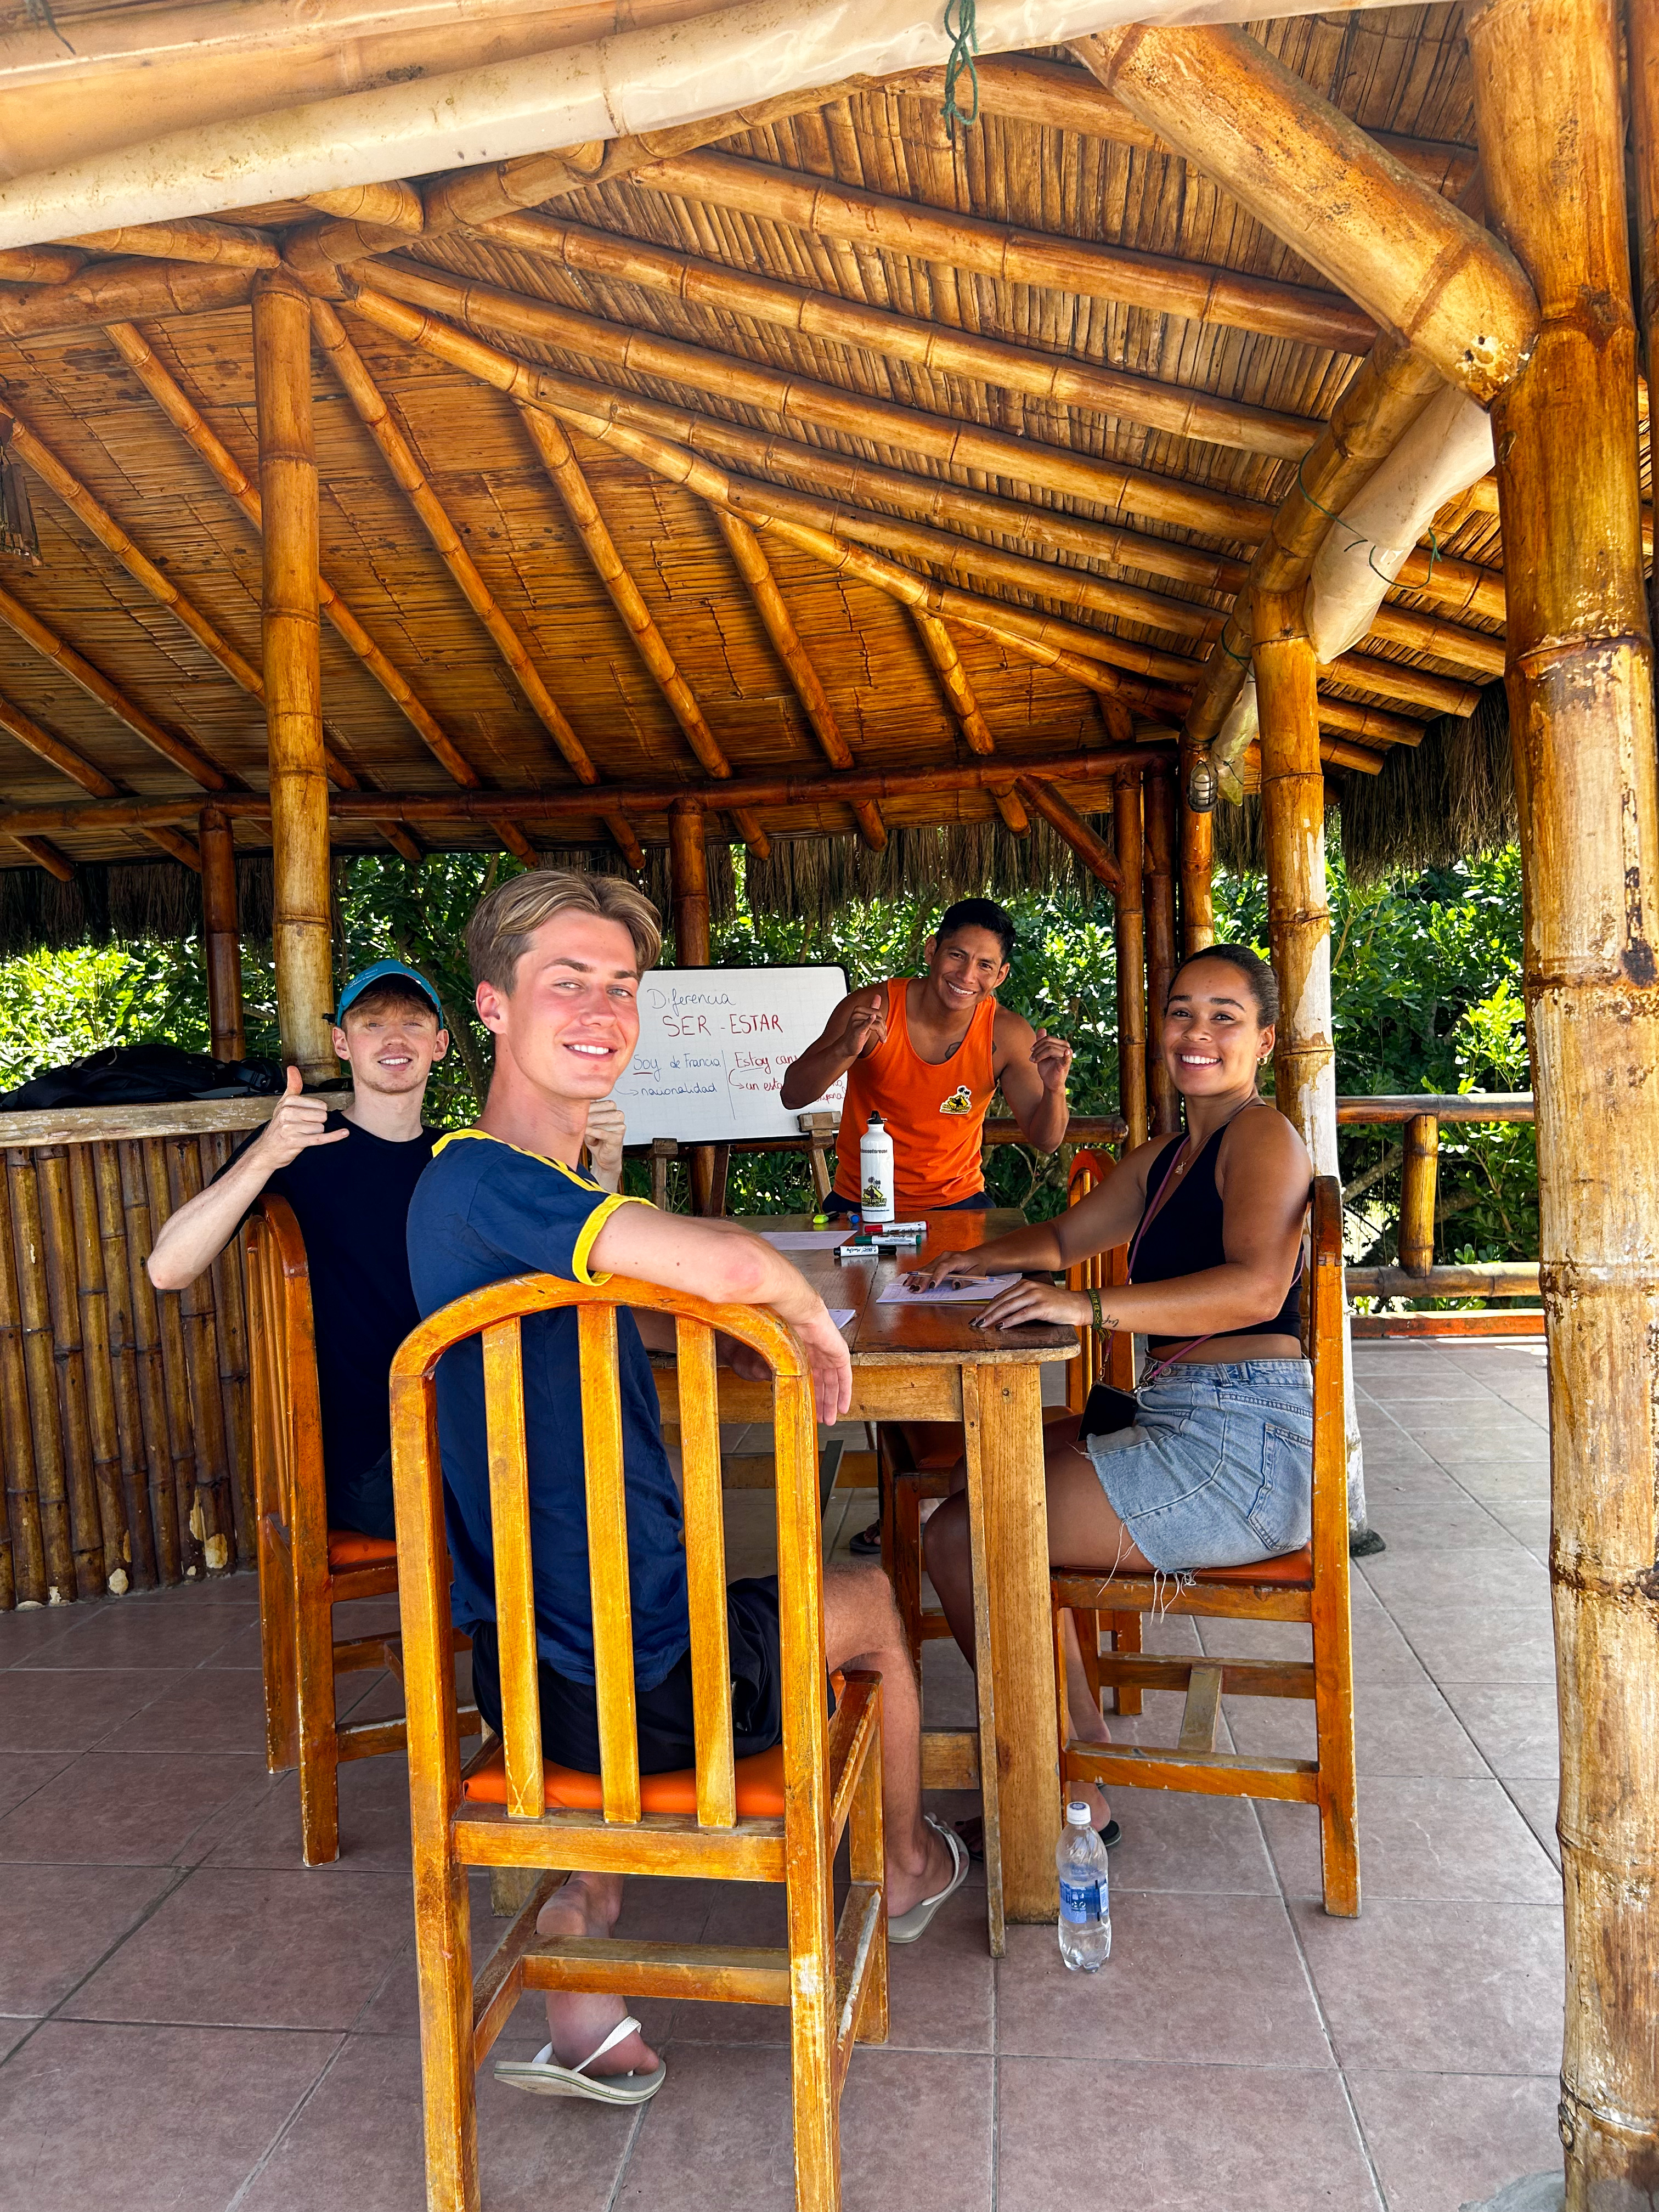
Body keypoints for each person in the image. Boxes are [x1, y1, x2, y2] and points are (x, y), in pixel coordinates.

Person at [406, 868, 966, 2106]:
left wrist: (708, 1312)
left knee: (637, 1628)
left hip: (532, 1686)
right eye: (567, 982)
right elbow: (718, 1257)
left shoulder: (520, 1201)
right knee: (871, 1602)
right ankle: (916, 1863)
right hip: (649, 1686)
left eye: (621, 985)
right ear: (493, 1007)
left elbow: (625, 1296)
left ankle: (586, 2012)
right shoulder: (482, 1178)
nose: (602, 1006)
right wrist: (807, 1315)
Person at [909, 943, 1312, 1838]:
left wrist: (1086, 1304)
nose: (1194, 1033)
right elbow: (1059, 1239)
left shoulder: (1260, 1137)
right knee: (979, 1497)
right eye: (1179, 1012)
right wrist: (964, 1260)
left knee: (965, 1534)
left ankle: (1056, 1780)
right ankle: (1075, 1761)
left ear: (1264, 1039)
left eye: (1222, 1015)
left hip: (1239, 1451)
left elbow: (1253, 1286)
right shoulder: (1171, 1153)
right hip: (1186, 1416)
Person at [146, 957, 629, 1543]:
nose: (394, 1038)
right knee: (577, 1505)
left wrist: (604, 1165)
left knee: (624, 1469)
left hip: (478, 1425)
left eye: (413, 1023)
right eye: (372, 1024)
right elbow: (169, 1268)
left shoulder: (466, 1161)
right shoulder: (300, 1147)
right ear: (341, 1043)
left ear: (441, 1043)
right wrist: (266, 1154)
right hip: (376, 1460)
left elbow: (583, 1275)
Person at [780, 896, 1074, 1217]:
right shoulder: (874, 1007)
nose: (966, 976)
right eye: (957, 956)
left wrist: (1055, 1089)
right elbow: (793, 1095)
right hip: (861, 1200)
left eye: (984, 965)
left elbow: (1046, 1141)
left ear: (1000, 975)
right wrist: (844, 1049)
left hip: (958, 1204)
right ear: (932, 950)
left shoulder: (1007, 1035)